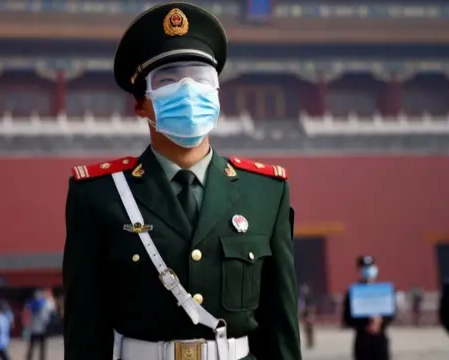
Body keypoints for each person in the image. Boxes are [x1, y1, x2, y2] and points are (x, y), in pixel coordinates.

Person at [62, 3, 301, 360]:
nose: (189, 91)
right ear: (141, 104)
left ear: (217, 94)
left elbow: (280, 324)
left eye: (202, 79)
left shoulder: (266, 192)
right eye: (169, 81)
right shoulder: (99, 196)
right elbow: (85, 330)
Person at [342, 256, 394, 360]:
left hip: (380, 338)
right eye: (364, 267)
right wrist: (365, 324)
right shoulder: (353, 293)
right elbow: (347, 318)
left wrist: (381, 322)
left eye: (370, 266)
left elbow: (391, 313)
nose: (368, 270)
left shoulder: (384, 291)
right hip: (362, 339)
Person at [23, 289, 55, 360]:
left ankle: (31, 358)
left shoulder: (32, 303)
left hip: (37, 328)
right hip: (40, 328)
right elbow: (52, 308)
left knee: (34, 346)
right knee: (39, 346)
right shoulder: (45, 303)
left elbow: (26, 309)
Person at [298, 284, 316, 349]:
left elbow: (311, 306)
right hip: (305, 314)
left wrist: (310, 314)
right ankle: (309, 342)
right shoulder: (302, 298)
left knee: (310, 329)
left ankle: (311, 342)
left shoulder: (309, 298)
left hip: (309, 314)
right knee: (306, 330)